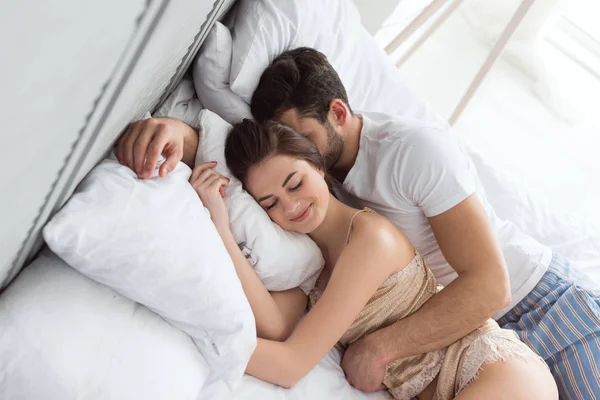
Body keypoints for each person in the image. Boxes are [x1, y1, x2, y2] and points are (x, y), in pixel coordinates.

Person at [116, 47, 600, 400]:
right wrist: (184, 143)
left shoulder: (408, 159)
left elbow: (491, 286)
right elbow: (273, 319)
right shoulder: (314, 233)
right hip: (468, 337)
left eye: (301, 148)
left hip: (536, 306)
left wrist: (379, 349)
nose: (289, 204)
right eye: (270, 203)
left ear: (330, 129)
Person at [188, 119, 556, 399]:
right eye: (270, 203)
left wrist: (194, 328)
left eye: (295, 184)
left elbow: (291, 365)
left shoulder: (370, 239)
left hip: (494, 370)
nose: (291, 206)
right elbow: (274, 327)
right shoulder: (307, 263)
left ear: (318, 166)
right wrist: (220, 225)